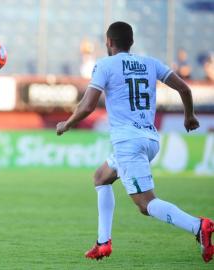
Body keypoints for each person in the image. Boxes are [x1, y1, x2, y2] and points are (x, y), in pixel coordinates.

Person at [56, 21, 213, 263]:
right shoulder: (150, 63)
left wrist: (66, 124)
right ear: (131, 42)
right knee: (101, 177)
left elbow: (87, 106)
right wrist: (189, 115)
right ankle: (102, 242)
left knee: (146, 204)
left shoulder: (105, 65)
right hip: (149, 138)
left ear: (109, 42)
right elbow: (184, 89)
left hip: (128, 143)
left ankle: (198, 226)